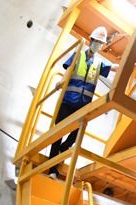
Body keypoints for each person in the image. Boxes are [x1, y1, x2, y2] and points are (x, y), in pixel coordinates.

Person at [48, 26, 113, 177]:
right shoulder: (78, 55)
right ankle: (53, 170)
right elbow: (69, 69)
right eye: (96, 41)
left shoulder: (98, 63)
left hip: (83, 107)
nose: (98, 45)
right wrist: (61, 82)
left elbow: (114, 67)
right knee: (57, 134)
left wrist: (129, 65)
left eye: (100, 43)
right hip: (68, 101)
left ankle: (64, 150)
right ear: (91, 40)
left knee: (74, 136)